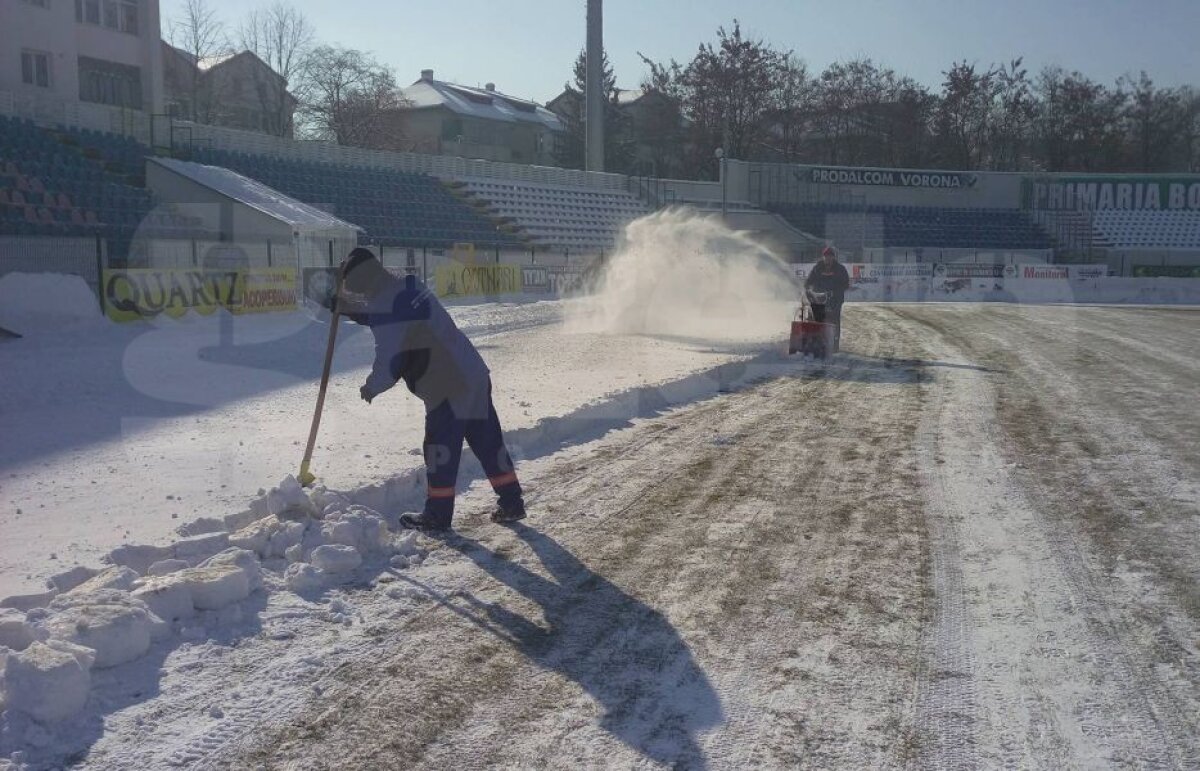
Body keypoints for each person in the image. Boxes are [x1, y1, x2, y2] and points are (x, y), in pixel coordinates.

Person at [340, 248, 526, 532]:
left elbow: (391, 358)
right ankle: (512, 502)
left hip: (447, 384)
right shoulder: (406, 283)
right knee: (488, 442)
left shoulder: (386, 304)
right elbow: (390, 312)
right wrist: (351, 309)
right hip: (473, 372)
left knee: (440, 450)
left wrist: (372, 387)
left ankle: (437, 516)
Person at [804, 246, 851, 352]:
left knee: (834, 321)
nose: (828, 259)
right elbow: (808, 281)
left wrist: (835, 292)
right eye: (826, 256)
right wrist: (808, 289)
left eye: (830, 256)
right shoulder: (817, 268)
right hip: (819, 298)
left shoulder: (840, 269)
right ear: (823, 257)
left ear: (833, 257)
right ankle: (816, 342)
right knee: (816, 320)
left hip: (835, 299)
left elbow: (846, 284)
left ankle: (834, 345)